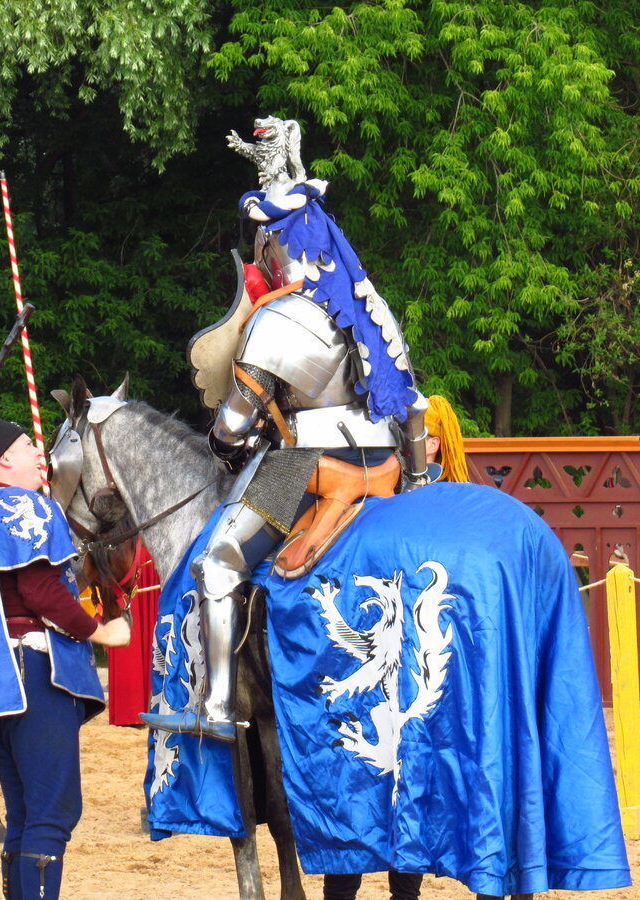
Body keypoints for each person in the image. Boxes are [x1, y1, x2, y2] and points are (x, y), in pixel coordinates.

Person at [141, 117, 430, 742]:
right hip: (385, 465)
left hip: (307, 464)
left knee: (217, 564)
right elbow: (413, 404)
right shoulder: (369, 305)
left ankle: (216, 709)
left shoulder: (280, 320)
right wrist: (418, 475)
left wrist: (222, 443)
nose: (260, 252)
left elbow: (237, 422)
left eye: (263, 240)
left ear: (279, 243)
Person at [0, 406, 131, 900]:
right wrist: (100, 632)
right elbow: (42, 590)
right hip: (34, 678)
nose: (40, 455)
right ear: (3, 461)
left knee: (24, 814)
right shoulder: (29, 508)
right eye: (28, 447)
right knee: (52, 814)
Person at [321, 394, 463, 900]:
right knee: (357, 796)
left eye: (430, 433)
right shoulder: (377, 493)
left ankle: (405, 891)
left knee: (414, 795)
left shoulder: (453, 506)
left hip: (420, 676)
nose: (423, 441)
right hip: (371, 670)